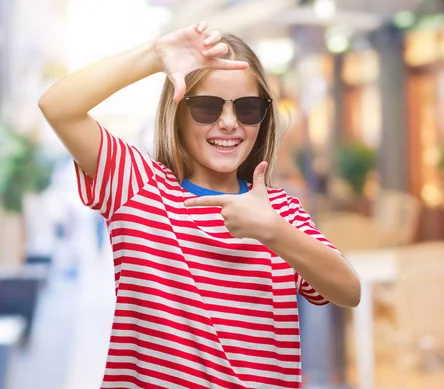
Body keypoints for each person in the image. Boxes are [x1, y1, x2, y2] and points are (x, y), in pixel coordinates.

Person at [38, 20, 361, 389]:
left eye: (247, 108)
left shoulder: (278, 212)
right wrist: (154, 55)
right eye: (207, 107)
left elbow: (348, 291)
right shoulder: (137, 187)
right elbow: (57, 106)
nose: (228, 123)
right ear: (177, 113)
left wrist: (272, 231)